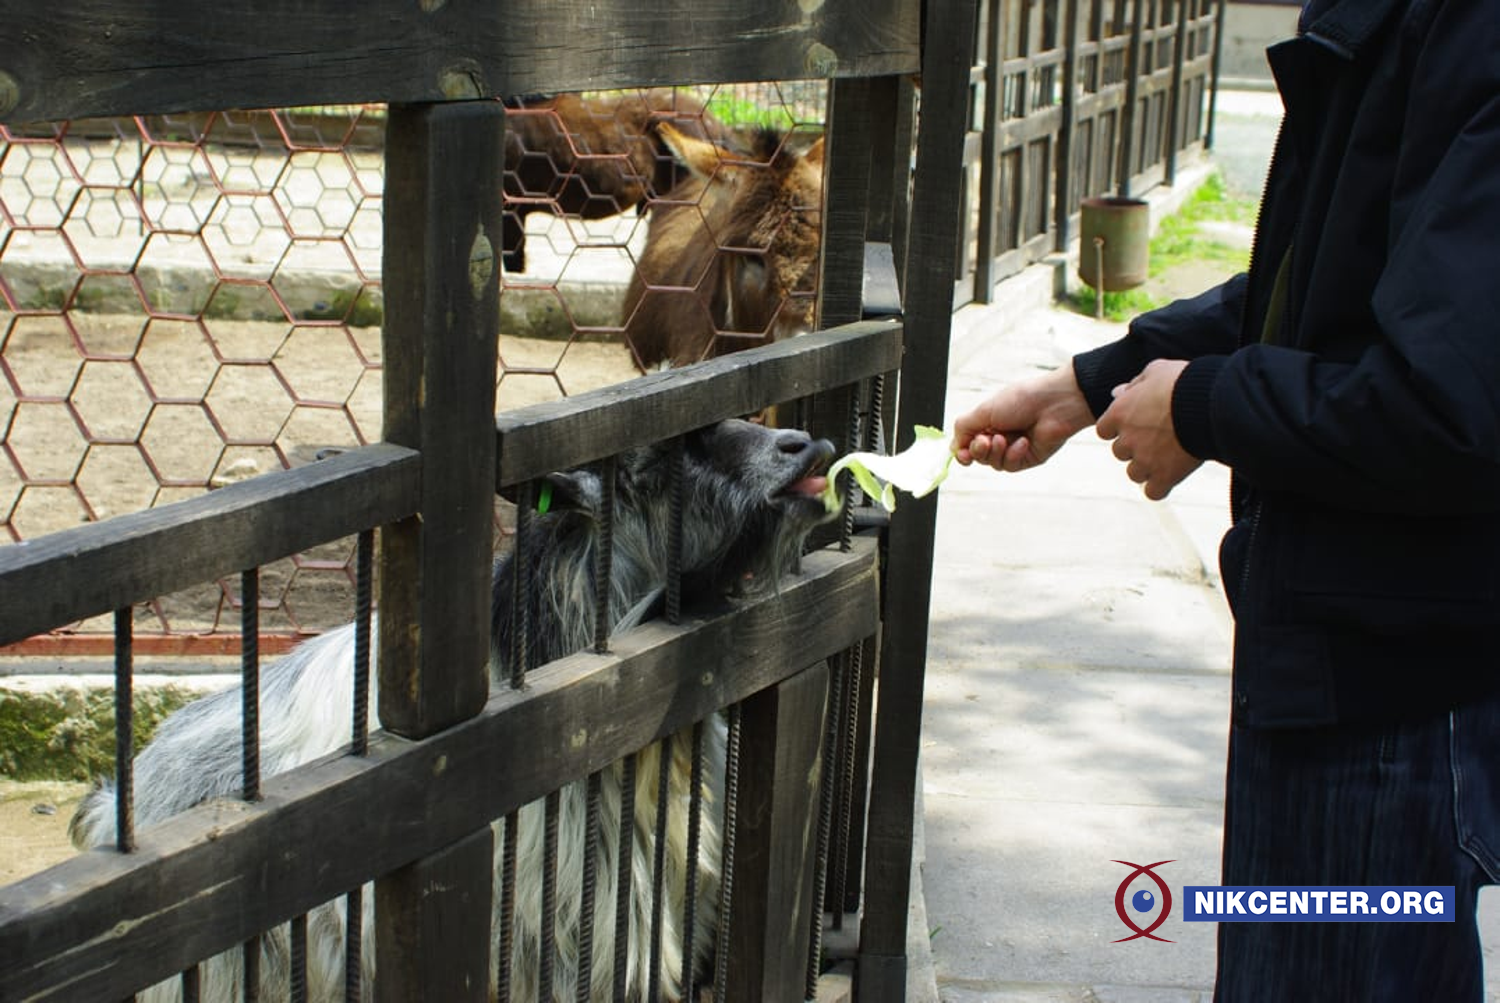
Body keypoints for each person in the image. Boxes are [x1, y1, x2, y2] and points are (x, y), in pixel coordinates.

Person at [951, 1, 1500, 999]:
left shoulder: (1468, 30)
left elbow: (1448, 401)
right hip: (1324, 664)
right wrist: (1095, 382)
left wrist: (1204, 404)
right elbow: (1320, 281)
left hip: (1392, 702)